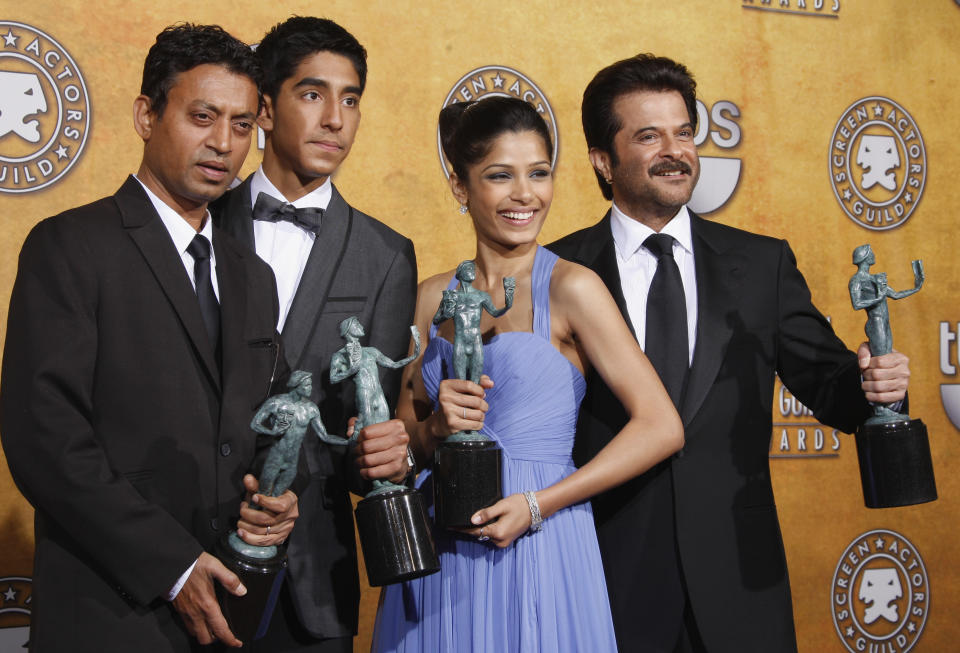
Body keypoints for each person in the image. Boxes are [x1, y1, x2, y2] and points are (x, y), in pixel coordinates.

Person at [548, 54, 912, 652]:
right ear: (601, 160)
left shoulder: (762, 265)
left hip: (740, 583)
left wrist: (874, 385)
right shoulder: (558, 270)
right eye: (649, 135)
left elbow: (830, 385)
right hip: (601, 576)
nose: (676, 150)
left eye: (685, 131)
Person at [0, 24, 298, 650]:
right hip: (111, 613)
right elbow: (44, 438)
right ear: (146, 114)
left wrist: (279, 497)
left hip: (233, 613)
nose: (223, 143)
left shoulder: (253, 277)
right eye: (202, 116)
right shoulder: (71, 246)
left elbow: (264, 421)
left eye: (243, 125)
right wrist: (171, 565)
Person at [372, 96, 684, 653]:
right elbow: (404, 447)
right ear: (460, 187)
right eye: (500, 175)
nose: (525, 195)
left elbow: (662, 426)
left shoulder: (572, 288)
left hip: (540, 543)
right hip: (438, 556)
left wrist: (541, 503)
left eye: (538, 173)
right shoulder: (429, 298)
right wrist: (435, 430)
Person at [212, 17, 417, 653]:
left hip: (312, 583)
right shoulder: (196, 221)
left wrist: (389, 454)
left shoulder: (386, 254)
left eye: (350, 99)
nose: (336, 119)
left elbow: (364, 431)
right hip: (188, 554)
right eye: (312, 94)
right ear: (265, 110)